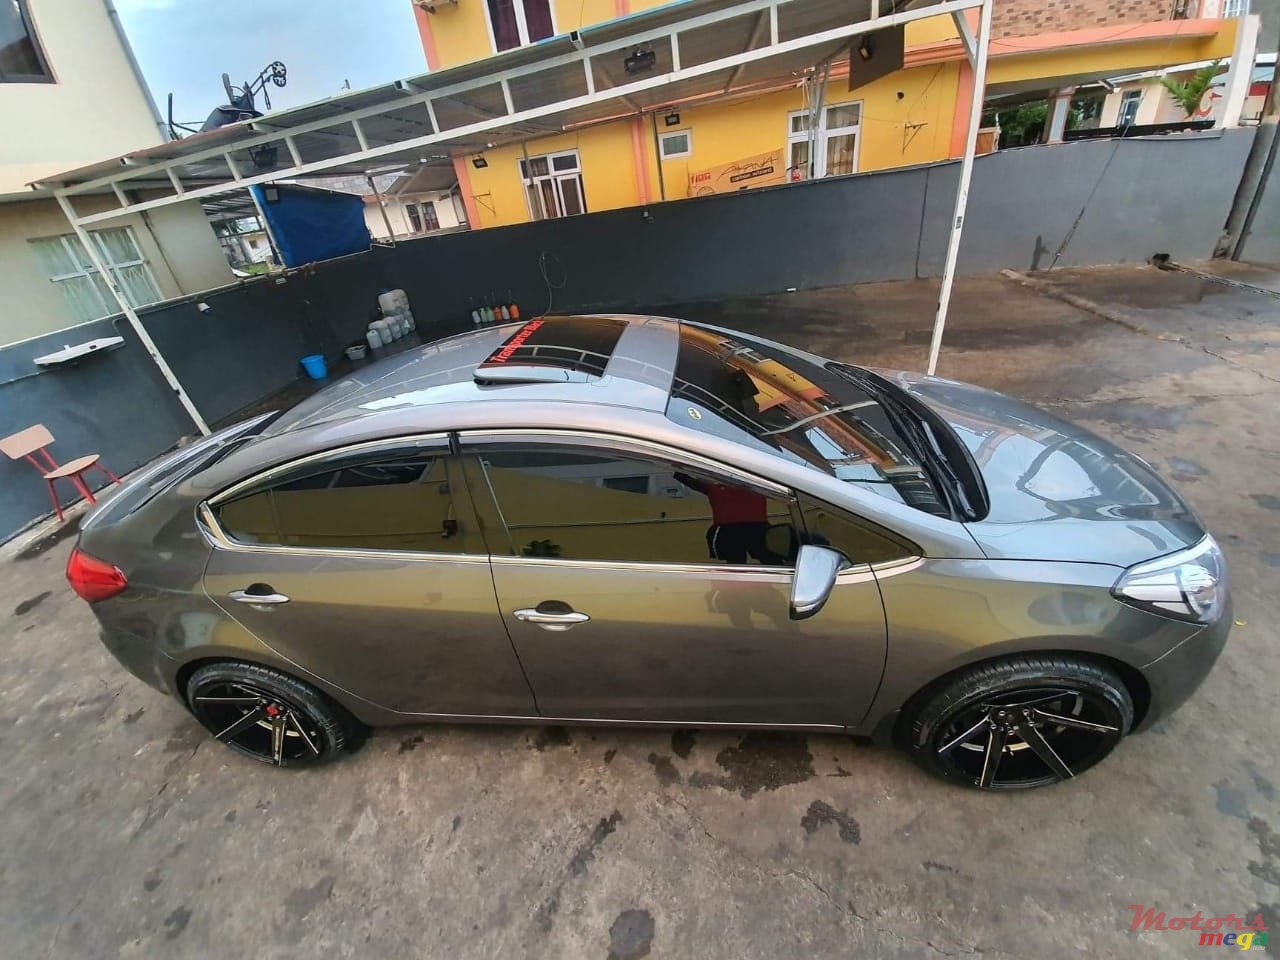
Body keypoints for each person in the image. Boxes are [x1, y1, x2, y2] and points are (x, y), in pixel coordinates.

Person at [674, 471, 789, 565]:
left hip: (730, 531)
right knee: (770, 560)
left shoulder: (715, 488)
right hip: (755, 528)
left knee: (737, 563)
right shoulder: (756, 487)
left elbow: (688, 480)